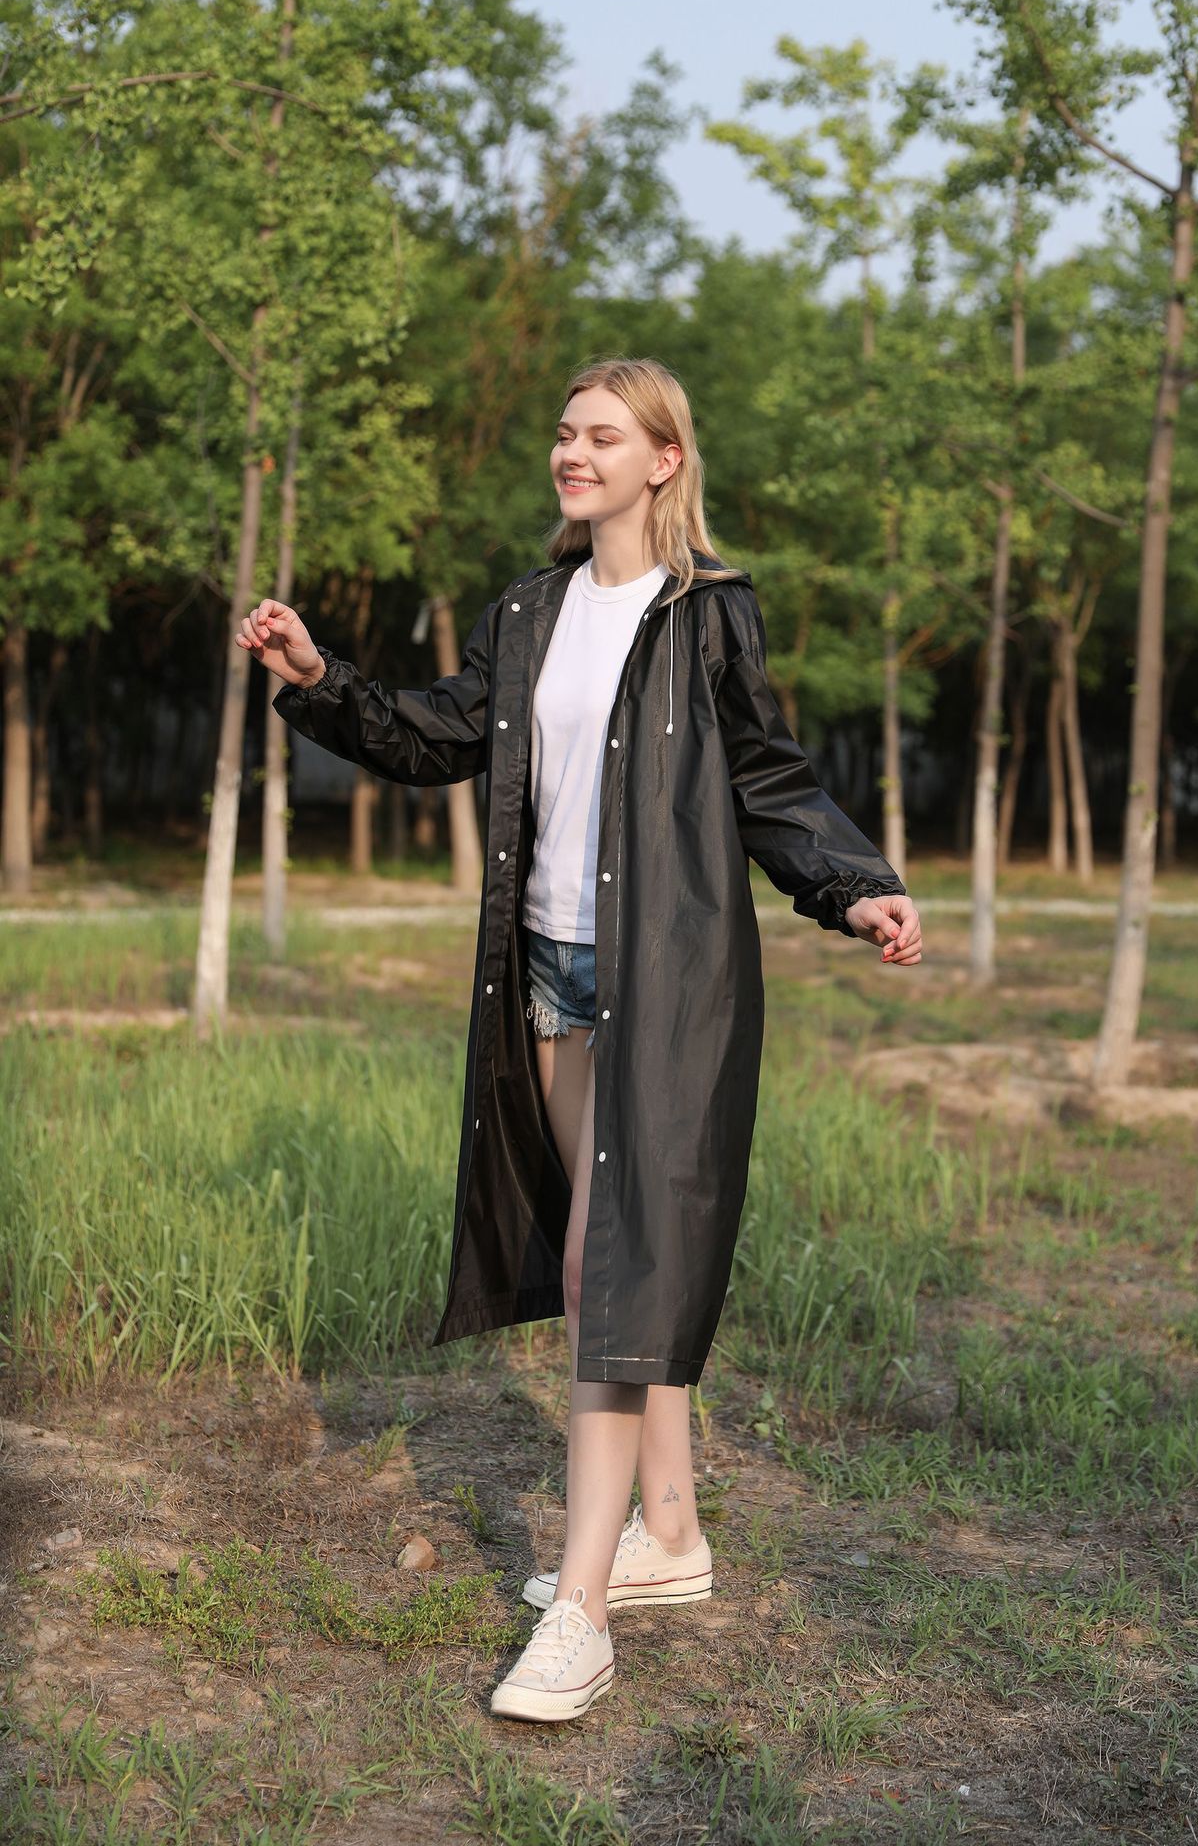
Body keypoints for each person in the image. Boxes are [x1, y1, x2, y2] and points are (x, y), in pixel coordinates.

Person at [236, 355, 923, 1726]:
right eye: (564, 432)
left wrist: (853, 886)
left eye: (602, 435)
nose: (572, 451)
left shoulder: (708, 612)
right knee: (624, 1263)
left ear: (664, 459)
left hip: (665, 976)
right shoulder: (531, 608)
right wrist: (320, 681)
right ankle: (672, 1530)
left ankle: (586, 1613)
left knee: (605, 1265)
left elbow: (766, 774)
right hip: (547, 968)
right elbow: (443, 735)